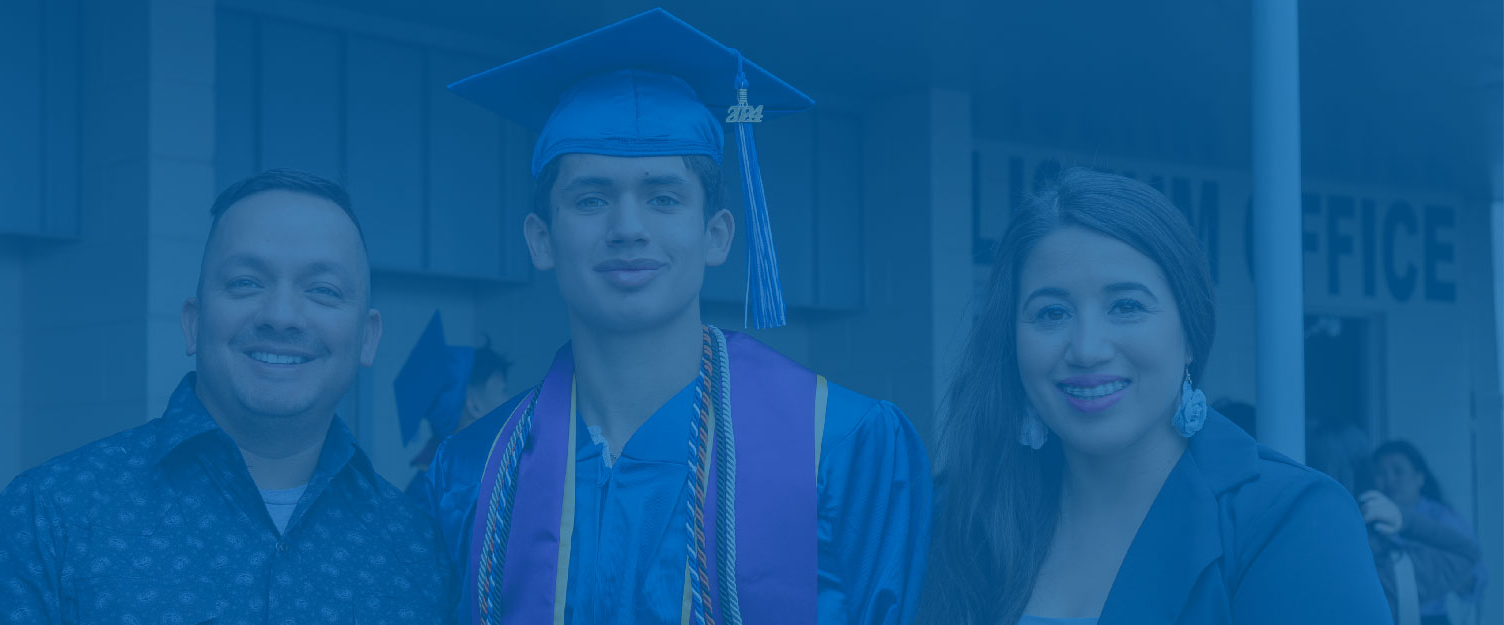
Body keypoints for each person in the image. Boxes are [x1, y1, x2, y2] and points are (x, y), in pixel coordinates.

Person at [423, 9, 931, 625]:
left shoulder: (841, 444)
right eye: (591, 199)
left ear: (717, 236)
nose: (628, 228)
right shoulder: (475, 470)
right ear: (541, 239)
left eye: (663, 197)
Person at [0, 169, 454, 624]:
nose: (282, 315)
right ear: (193, 323)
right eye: (246, 282)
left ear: (367, 338)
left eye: (322, 290)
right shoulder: (50, 518)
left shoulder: (418, 547)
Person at [921, 167, 1389, 625]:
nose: (1086, 349)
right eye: (1051, 313)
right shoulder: (959, 517)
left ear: (1190, 333)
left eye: (1126, 306)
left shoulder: (1292, 520)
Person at [1367, 440, 1486, 625]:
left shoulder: (1443, 517)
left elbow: (1475, 576)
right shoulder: (1367, 517)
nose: (1390, 480)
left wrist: (1424, 578)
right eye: (1381, 473)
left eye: (1398, 471)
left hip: (1430, 617)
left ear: (1420, 477)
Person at [395, 310, 512, 493]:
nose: (509, 401)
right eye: (503, 391)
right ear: (474, 406)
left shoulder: (425, 486)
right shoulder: (476, 486)